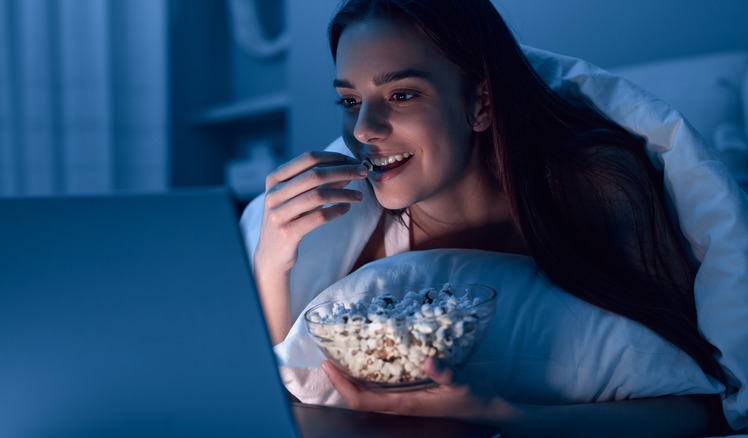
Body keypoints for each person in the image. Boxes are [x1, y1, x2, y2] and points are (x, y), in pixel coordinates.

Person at [248, 0, 735, 436]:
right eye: (351, 101)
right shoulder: (352, 226)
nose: (364, 130)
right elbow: (274, 390)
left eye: (402, 95)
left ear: (480, 104)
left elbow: (700, 407)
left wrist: (506, 417)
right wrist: (272, 265)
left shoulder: (595, 184)